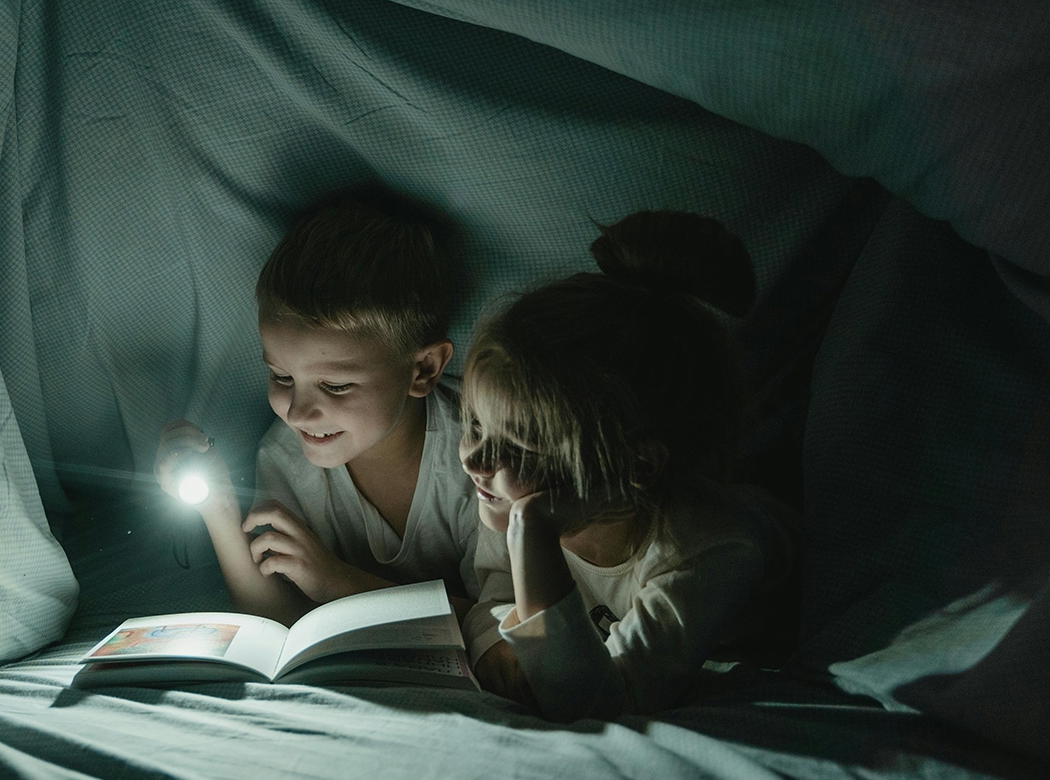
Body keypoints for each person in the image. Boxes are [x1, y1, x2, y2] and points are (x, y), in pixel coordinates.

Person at [459, 210, 799, 721]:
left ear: (633, 465)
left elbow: (596, 703)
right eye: (475, 426)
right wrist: (497, 649)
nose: (474, 459)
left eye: (520, 448)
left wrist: (533, 532)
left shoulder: (707, 550)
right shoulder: (510, 494)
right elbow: (491, 596)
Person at [156, 188, 478, 626]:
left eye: (337, 385)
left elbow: (509, 625)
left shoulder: (481, 452)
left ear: (423, 370)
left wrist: (336, 582)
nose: (299, 413)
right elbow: (276, 617)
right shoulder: (285, 457)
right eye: (282, 378)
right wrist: (219, 510)